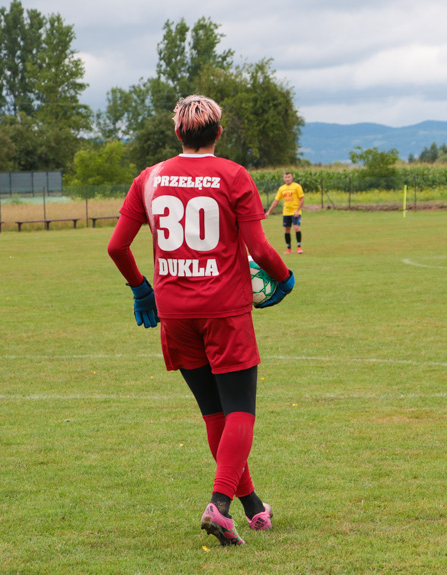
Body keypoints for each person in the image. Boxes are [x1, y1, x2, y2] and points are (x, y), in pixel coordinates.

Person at [107, 95, 295, 547]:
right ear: (219, 133)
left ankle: (253, 508)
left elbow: (117, 247)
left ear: (178, 134)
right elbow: (261, 250)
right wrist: (284, 280)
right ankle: (220, 505)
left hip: (174, 312)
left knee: (215, 414)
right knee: (241, 411)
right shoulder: (234, 175)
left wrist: (140, 288)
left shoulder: (149, 178)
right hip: (224, 311)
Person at [265, 171, 305, 254]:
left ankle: (299, 247)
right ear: (283, 178)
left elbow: (302, 199)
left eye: (289, 177)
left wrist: (297, 210)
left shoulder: (297, 186)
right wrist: (269, 212)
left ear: (292, 178)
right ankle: (289, 249)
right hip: (286, 212)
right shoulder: (282, 188)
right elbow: (276, 201)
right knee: (287, 229)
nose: (287, 179)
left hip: (295, 212)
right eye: (286, 177)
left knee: (296, 228)